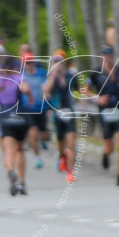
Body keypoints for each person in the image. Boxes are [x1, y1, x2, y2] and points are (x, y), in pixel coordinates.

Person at [0, 54, 30, 195]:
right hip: (20, 116)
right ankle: (22, 182)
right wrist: (29, 98)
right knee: (20, 150)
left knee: (8, 150)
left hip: (5, 116)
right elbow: (26, 91)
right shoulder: (19, 78)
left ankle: (11, 171)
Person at [88, 45, 119, 188]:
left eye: (110, 54)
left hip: (118, 110)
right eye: (105, 55)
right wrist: (97, 98)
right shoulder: (95, 72)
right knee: (110, 147)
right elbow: (85, 90)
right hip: (105, 112)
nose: (108, 57)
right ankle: (106, 154)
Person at [43, 50, 79, 182]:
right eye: (56, 62)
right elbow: (46, 90)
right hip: (58, 113)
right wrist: (53, 74)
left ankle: (70, 170)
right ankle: (61, 155)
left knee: (71, 141)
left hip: (70, 112)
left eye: (61, 61)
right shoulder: (52, 77)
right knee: (61, 142)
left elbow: (78, 91)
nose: (59, 64)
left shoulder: (71, 76)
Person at [19, 53, 49, 169]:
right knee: (33, 133)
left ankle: (43, 142)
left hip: (42, 106)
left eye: (30, 62)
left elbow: (47, 86)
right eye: (27, 63)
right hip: (28, 108)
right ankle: (37, 157)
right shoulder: (21, 76)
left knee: (43, 134)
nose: (29, 65)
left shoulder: (41, 73)